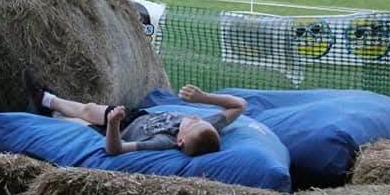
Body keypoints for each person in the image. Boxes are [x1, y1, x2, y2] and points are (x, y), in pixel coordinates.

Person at [23, 69, 246, 156]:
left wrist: (113, 124)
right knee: (89, 109)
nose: (196, 118)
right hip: (134, 116)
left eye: (193, 124)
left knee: (76, 124)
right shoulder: (209, 126)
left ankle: (50, 113)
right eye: (201, 120)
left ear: (180, 141)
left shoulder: (163, 142)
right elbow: (239, 105)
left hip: (116, 131)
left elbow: (116, 149)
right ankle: (46, 99)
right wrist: (204, 98)